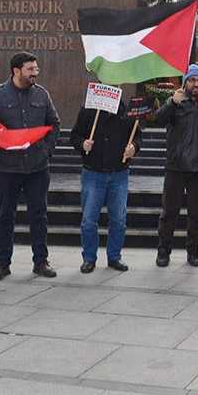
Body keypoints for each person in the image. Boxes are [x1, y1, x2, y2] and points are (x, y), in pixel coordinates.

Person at [0, 52, 60, 281]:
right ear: (16, 71)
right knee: (5, 216)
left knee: (39, 215)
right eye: (30, 69)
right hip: (7, 167)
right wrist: (1, 140)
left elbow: (54, 123)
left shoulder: (42, 94)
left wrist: (46, 149)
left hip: (38, 167)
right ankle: (2, 264)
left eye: (36, 69)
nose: (35, 73)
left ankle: (41, 261)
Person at [155, 64, 198, 267]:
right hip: (176, 167)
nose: (196, 84)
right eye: (192, 80)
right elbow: (158, 120)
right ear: (185, 83)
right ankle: (163, 252)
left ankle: (193, 252)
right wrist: (171, 104)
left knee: (196, 214)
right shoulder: (175, 102)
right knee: (169, 213)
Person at [69, 96, 139, 274]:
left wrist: (134, 147)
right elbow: (74, 135)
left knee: (118, 219)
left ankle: (114, 257)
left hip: (119, 173)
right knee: (89, 220)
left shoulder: (127, 110)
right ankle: (89, 258)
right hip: (93, 172)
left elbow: (138, 136)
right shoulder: (88, 108)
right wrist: (82, 143)